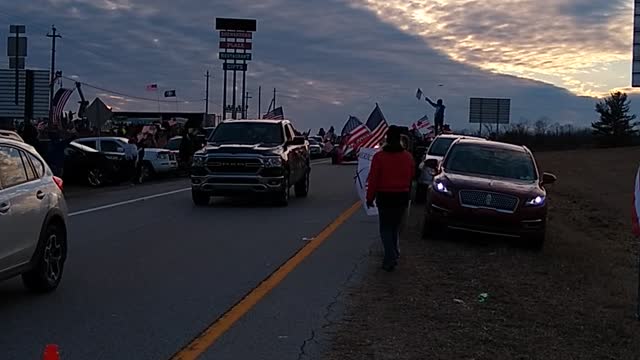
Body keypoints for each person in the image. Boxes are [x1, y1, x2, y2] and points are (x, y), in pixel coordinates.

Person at [366, 125, 415, 272]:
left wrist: (370, 198)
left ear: (386, 138)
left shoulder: (379, 157)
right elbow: (411, 177)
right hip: (401, 196)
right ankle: (393, 254)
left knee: (385, 229)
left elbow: (373, 179)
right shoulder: (407, 157)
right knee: (394, 228)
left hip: (385, 196)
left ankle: (390, 257)